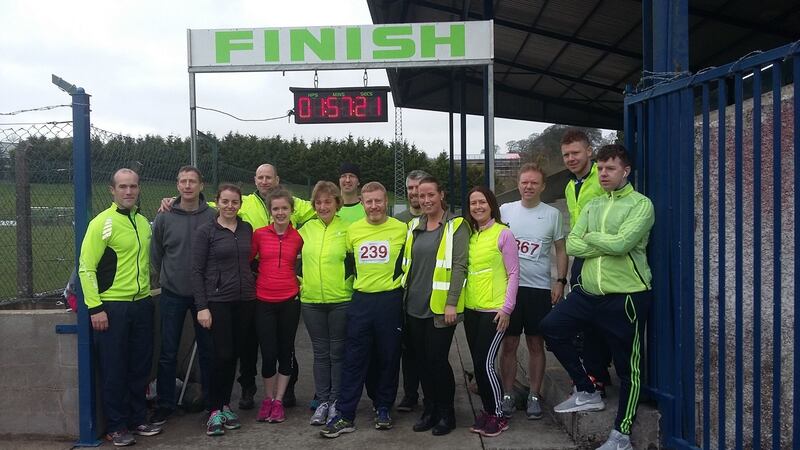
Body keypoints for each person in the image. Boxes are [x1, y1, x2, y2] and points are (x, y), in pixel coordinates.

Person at [540, 145, 654, 450]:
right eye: (601, 169)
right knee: (551, 327)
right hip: (588, 293)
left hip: (625, 296)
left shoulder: (641, 205)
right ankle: (587, 389)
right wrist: (604, 242)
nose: (603, 174)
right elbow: (574, 245)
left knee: (628, 367)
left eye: (610, 169)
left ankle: (621, 435)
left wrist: (594, 240)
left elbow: (623, 244)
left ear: (625, 171)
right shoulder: (593, 205)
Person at [78, 168, 161, 446]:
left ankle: (138, 419)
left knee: (139, 367)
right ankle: (116, 426)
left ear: (139, 189)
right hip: (112, 307)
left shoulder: (142, 222)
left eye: (133, 186)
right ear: (112, 191)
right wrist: (95, 308)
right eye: (123, 187)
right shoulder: (102, 223)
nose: (129, 191)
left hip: (141, 304)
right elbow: (86, 268)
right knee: (114, 368)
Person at [320, 182, 407, 438]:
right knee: (354, 359)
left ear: (386, 201)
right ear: (361, 203)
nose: (374, 206)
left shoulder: (401, 229)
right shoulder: (353, 230)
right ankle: (345, 414)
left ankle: (383, 407)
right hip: (361, 300)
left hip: (390, 301)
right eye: (368, 202)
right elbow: (350, 264)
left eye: (378, 201)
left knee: (389, 357)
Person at [236, 164, 315, 409]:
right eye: (260, 177)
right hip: (258, 283)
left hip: (287, 290)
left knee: (286, 345)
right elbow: (218, 207)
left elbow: (320, 208)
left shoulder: (298, 227)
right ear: (255, 180)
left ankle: (287, 391)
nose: (264, 181)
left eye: (269, 177)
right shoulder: (246, 204)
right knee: (254, 345)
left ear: (277, 179)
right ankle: (249, 389)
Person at [497, 164, 567, 420]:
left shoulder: (552, 215)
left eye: (534, 183)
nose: (528, 187)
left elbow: (561, 249)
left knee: (536, 343)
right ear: (518, 184)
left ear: (543, 186)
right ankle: (507, 393)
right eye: (524, 182)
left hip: (539, 289)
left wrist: (560, 280)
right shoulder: (505, 210)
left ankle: (534, 395)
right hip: (510, 289)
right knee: (509, 344)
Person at [400, 176, 468, 436]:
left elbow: (460, 266)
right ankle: (429, 410)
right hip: (413, 306)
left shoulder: (455, 226)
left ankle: (446, 412)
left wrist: (452, 303)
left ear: (441, 195)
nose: (425, 200)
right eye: (420, 195)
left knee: (437, 361)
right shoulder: (414, 226)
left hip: (440, 309)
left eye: (430, 194)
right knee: (420, 361)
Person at [150, 166, 215, 425]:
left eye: (192, 181)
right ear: (177, 185)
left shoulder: (212, 215)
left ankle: (212, 402)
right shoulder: (165, 216)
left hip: (204, 297)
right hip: (172, 294)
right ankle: (165, 404)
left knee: (208, 350)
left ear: (201, 186)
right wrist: (168, 277)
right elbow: (156, 254)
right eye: (183, 181)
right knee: (168, 351)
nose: (187, 186)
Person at [192, 184, 256, 437]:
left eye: (235, 202)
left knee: (235, 355)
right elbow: (196, 271)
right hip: (217, 302)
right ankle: (214, 410)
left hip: (245, 301)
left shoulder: (246, 228)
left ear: (240, 205)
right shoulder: (206, 231)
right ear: (217, 203)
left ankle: (226, 405)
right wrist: (202, 307)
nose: (230, 206)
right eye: (225, 202)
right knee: (222, 355)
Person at [462, 186, 519, 438]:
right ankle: (487, 410)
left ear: (491, 204)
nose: (477, 207)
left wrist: (506, 309)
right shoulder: (471, 236)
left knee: (485, 364)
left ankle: (499, 414)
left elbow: (514, 273)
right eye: (473, 203)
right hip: (472, 310)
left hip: (494, 311)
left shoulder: (503, 233)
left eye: (482, 202)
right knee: (477, 364)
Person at [560, 129, 612, 395]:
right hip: (580, 258)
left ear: (589, 151)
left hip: (603, 259)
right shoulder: (571, 186)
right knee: (582, 318)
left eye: (575, 153)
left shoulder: (601, 179)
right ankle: (592, 370)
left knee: (598, 317)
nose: (570, 158)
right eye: (566, 154)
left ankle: (598, 374)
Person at [298, 181, 353, 425]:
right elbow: (293, 260)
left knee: (338, 353)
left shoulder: (349, 228)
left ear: (337, 203)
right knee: (320, 354)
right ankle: (322, 401)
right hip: (311, 301)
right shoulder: (305, 229)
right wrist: (301, 284)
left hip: (341, 300)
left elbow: (355, 263)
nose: (323, 206)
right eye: (318, 202)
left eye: (328, 201)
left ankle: (336, 401)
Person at [251, 188, 304, 424]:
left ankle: (279, 401)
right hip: (263, 301)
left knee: (286, 351)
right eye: (276, 209)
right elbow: (248, 261)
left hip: (290, 301)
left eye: (284, 208)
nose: (280, 212)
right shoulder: (259, 235)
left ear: (291, 210)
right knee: (269, 353)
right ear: (270, 212)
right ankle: (268, 398)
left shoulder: (299, 237)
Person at [392, 169, 429, 412]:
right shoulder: (398, 221)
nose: (414, 193)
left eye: (418, 188)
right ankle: (410, 393)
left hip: (428, 295)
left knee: (429, 350)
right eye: (410, 189)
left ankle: (431, 394)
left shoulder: (439, 219)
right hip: (402, 296)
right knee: (406, 349)